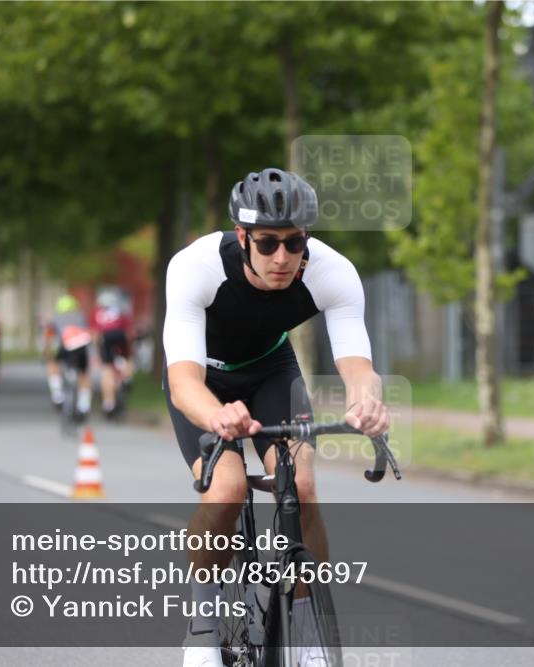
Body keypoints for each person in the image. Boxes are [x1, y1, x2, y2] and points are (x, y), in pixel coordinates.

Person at [163, 168, 389, 667]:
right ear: (242, 237)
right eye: (267, 243)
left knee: (302, 487)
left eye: (294, 242)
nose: (282, 258)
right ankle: (203, 626)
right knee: (227, 489)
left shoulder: (332, 272)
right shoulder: (196, 267)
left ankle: (307, 632)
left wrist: (366, 401)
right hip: (204, 380)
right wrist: (218, 415)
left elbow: (358, 367)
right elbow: (183, 383)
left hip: (270, 371)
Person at [43, 294, 93, 420]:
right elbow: (90, 333)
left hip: (66, 345)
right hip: (82, 346)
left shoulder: (55, 318)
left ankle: (57, 395)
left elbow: (49, 337)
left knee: (52, 364)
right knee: (84, 375)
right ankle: (84, 406)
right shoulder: (81, 316)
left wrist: (46, 352)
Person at [89, 289, 134, 416]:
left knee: (106, 370)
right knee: (127, 358)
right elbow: (129, 333)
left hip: (105, 337)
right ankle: (126, 377)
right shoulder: (120, 311)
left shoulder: (96, 312)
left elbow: (94, 334)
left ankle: (108, 404)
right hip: (120, 336)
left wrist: (97, 349)